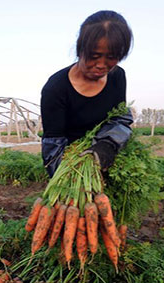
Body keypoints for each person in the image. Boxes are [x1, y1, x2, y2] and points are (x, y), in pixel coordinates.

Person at [41, 10, 134, 177]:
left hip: (108, 162)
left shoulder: (117, 77)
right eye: (95, 56)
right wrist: (70, 180)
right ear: (80, 48)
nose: (101, 65)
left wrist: (107, 145)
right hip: (70, 166)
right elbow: (53, 146)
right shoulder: (56, 89)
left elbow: (119, 119)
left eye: (111, 57)